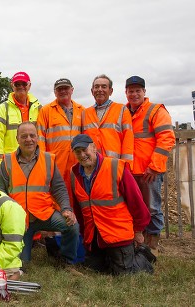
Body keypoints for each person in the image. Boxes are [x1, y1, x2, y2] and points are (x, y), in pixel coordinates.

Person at [70, 134, 154, 275]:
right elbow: (79, 209)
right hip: (94, 236)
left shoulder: (116, 167)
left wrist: (138, 231)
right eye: (78, 152)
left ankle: (143, 256)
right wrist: (84, 235)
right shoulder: (74, 174)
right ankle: (113, 258)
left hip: (118, 234)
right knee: (95, 270)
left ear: (94, 148)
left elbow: (137, 202)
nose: (82, 155)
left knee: (122, 274)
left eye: (85, 150)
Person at [0, 122, 79, 265]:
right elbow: (0, 192)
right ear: (17, 139)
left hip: (45, 214)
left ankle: (66, 261)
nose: (28, 139)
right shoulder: (7, 161)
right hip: (20, 220)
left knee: (72, 226)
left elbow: (59, 188)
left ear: (37, 137)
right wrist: (8, 217)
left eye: (32, 135)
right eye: (24, 136)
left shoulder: (48, 159)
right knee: (22, 264)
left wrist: (66, 209)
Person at [125, 76, 176, 255]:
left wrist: (154, 166)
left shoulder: (155, 110)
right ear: (126, 93)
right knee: (133, 207)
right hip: (130, 171)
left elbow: (167, 139)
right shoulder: (124, 111)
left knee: (152, 208)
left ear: (144, 92)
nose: (134, 94)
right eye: (131, 91)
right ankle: (138, 242)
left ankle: (152, 245)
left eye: (138, 90)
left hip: (149, 172)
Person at [37, 78, 84, 203]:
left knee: (79, 195)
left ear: (72, 90)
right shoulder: (46, 111)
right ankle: (60, 221)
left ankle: (77, 221)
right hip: (56, 162)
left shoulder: (82, 110)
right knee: (56, 195)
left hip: (78, 161)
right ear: (55, 92)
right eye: (59, 89)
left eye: (66, 88)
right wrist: (43, 162)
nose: (63, 91)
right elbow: (40, 137)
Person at [0, 71, 41, 167]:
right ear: (12, 86)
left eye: (24, 84)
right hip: (11, 162)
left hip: (35, 161)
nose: (21, 86)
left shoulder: (39, 108)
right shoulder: (3, 109)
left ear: (29, 85)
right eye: (17, 84)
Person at [82, 74, 134, 168]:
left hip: (114, 166)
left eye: (104, 86)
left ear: (111, 91)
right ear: (92, 91)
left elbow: (128, 140)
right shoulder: (85, 113)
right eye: (96, 87)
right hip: (91, 167)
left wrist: (126, 167)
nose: (100, 90)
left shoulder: (121, 110)